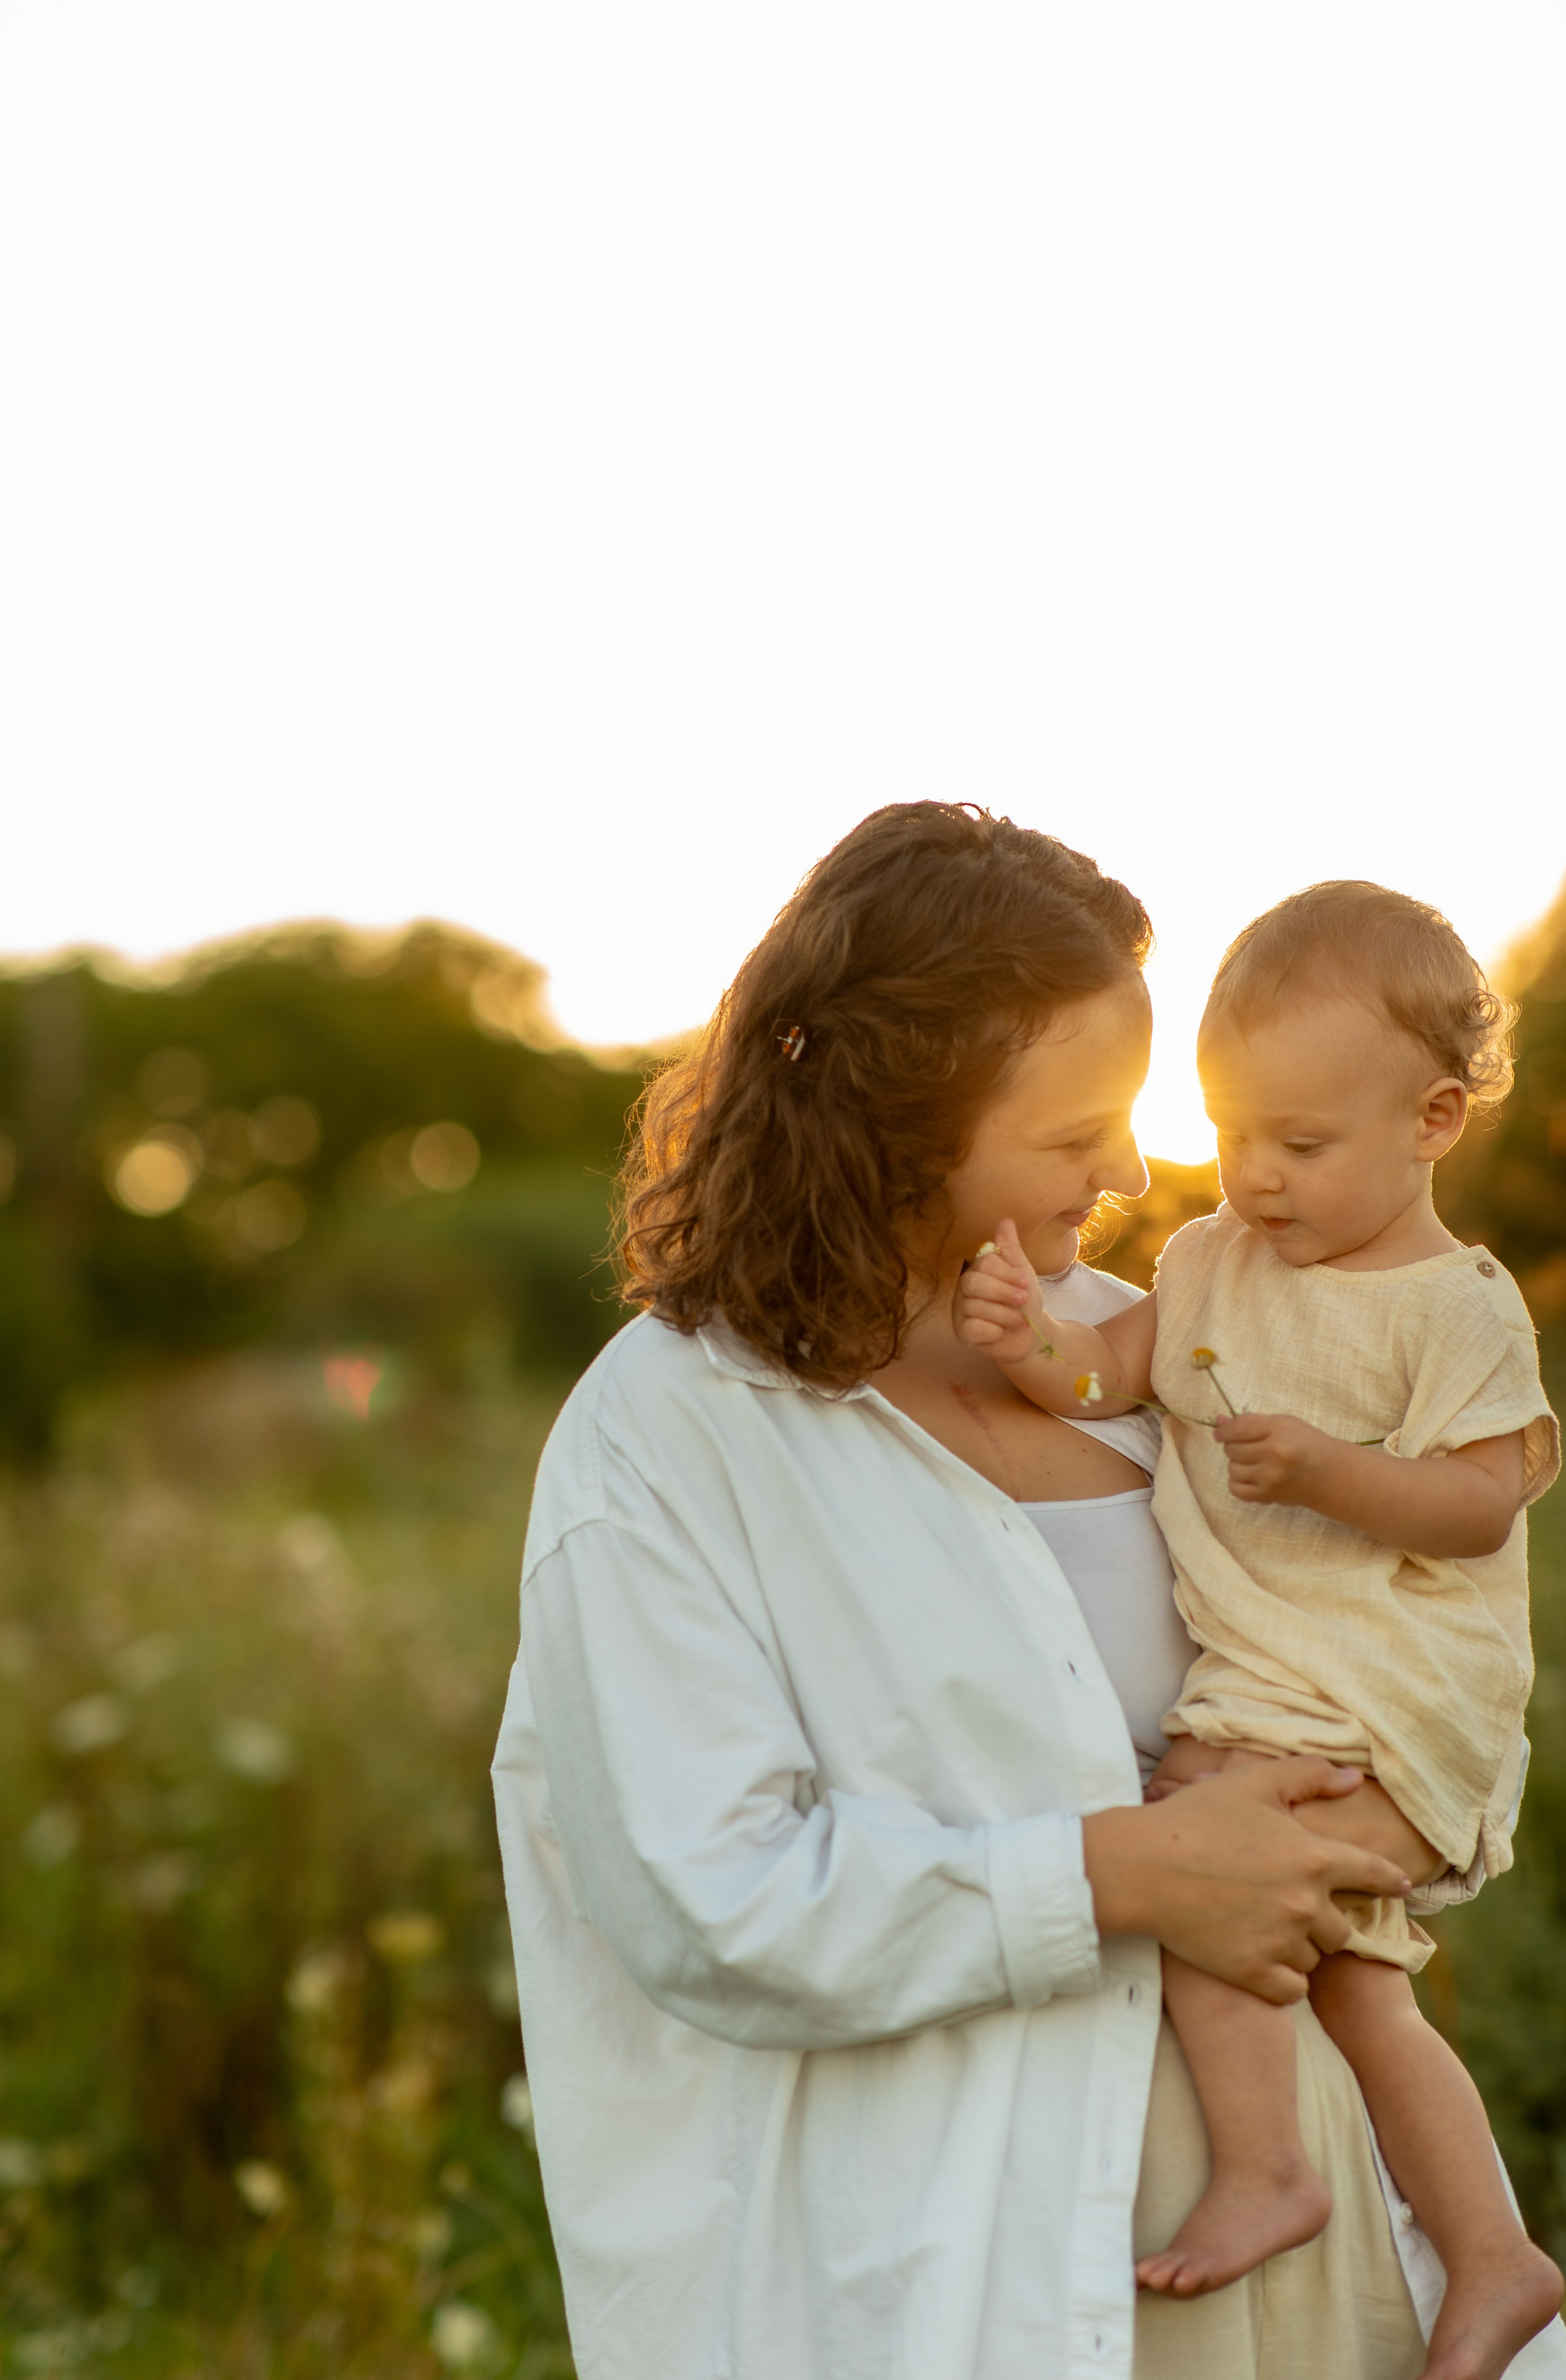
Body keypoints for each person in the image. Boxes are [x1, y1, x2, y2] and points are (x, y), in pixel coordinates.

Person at [491, 805, 1563, 2380]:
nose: (1133, 1173)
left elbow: (1412, 1641)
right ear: (894, 1123)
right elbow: (704, 1900)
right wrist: (1122, 1873)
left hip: (1324, 2251)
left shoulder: (1161, 1345)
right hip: (960, 2291)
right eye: (1074, 1139)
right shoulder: (671, 1436)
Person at [954, 881, 1563, 2379]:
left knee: (1206, 1860)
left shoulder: (1454, 1310)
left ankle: (1267, 2170)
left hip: (1394, 1692)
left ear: (1428, 1121)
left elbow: (1481, 1504)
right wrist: (1031, 1337)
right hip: (1273, 1685)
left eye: (1299, 1145)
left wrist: (1331, 1474)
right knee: (1353, 1981)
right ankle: (1492, 2258)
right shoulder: (1213, 1258)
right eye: (1231, 1137)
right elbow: (1107, 1373)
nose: (1255, 1179)